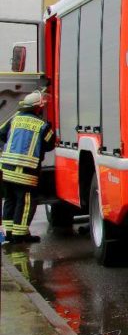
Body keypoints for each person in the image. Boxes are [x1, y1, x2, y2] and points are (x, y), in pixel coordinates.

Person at [1, 91, 55, 244]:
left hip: (6, 169)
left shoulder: (14, 119)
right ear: (38, 108)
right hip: (26, 171)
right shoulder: (41, 125)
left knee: (10, 200)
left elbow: (1, 134)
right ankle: (20, 235)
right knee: (25, 202)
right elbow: (50, 143)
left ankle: (8, 233)